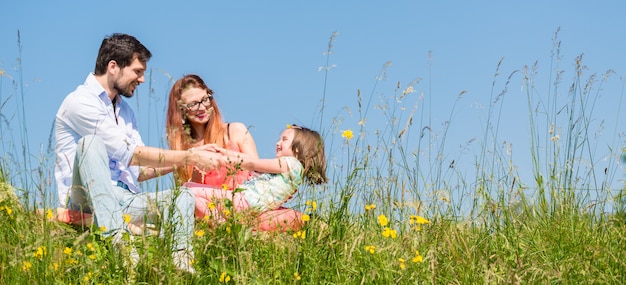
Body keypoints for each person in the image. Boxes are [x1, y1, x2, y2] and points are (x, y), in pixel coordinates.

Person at [54, 33, 221, 274]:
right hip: (85, 199)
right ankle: (122, 248)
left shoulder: (126, 111)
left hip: (126, 199)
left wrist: (193, 152)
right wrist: (189, 157)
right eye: (137, 71)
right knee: (90, 144)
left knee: (182, 197)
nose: (142, 79)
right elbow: (130, 153)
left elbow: (139, 170)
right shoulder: (79, 102)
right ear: (113, 67)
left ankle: (179, 266)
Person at [166, 74, 306, 231]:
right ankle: (227, 228)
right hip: (211, 216)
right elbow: (189, 200)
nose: (202, 107)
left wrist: (284, 183)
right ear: (181, 110)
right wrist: (198, 166)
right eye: (193, 104)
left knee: (308, 222)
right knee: (184, 195)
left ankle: (234, 228)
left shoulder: (235, 130)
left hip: (251, 210)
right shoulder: (184, 151)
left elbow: (258, 171)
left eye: (205, 99)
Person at [188, 124, 327, 224]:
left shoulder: (290, 164)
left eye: (284, 139)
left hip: (245, 201)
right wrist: (224, 152)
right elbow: (253, 164)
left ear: (298, 148)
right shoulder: (290, 169)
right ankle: (220, 222)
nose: (278, 143)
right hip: (247, 203)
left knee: (188, 192)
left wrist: (221, 160)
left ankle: (220, 223)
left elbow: (253, 164)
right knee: (189, 188)